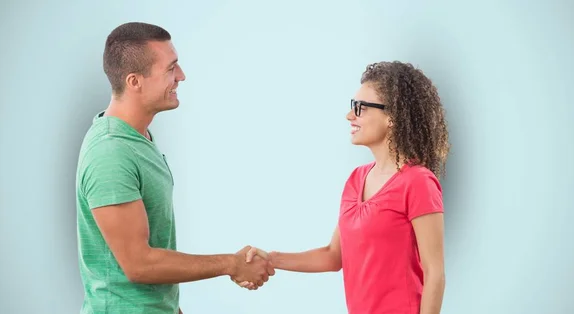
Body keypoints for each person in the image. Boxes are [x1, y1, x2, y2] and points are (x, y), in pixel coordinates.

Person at [75, 22, 274, 314]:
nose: (181, 76)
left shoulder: (138, 139)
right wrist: (232, 264)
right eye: (171, 68)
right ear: (134, 81)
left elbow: (152, 249)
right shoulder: (110, 152)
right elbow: (139, 265)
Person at [235, 61, 450, 314]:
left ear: (391, 116)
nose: (350, 116)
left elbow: (435, 273)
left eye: (360, 108)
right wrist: (270, 259)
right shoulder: (356, 179)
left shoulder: (418, 182)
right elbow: (333, 256)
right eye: (352, 107)